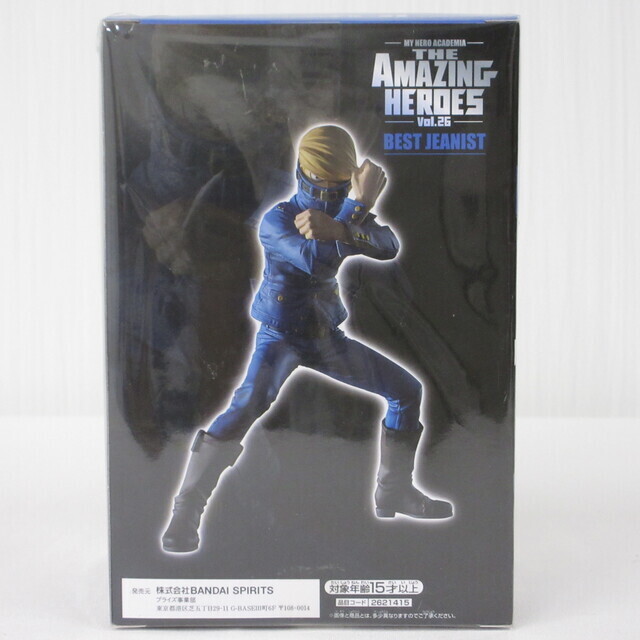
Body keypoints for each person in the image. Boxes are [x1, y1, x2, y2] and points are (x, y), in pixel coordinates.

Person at [162, 125, 453, 553]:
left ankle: (393, 493)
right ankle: (186, 509)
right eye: (323, 180)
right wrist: (354, 210)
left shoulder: (342, 216)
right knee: (246, 405)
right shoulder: (278, 219)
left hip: (324, 335)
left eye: (340, 182)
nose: (331, 190)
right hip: (281, 335)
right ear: (305, 174)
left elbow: (388, 244)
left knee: (406, 392)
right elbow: (317, 262)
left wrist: (345, 223)